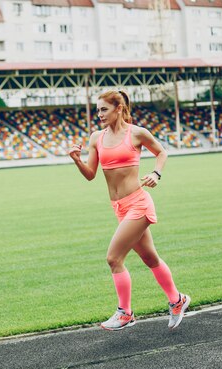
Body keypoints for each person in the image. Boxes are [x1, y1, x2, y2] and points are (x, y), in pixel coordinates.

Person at [68, 90, 190, 331]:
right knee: (149, 258)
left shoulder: (136, 133)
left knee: (114, 258)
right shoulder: (96, 138)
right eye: (98, 109)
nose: (99, 114)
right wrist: (77, 160)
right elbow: (91, 175)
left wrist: (156, 173)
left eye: (104, 109)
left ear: (119, 108)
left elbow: (161, 152)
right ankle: (178, 300)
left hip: (138, 203)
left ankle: (125, 312)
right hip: (120, 208)